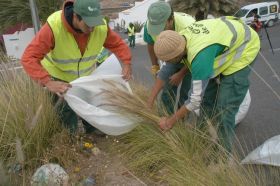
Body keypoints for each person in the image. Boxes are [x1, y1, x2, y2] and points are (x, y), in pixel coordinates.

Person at [21, 0, 132, 134]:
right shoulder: (54, 27)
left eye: (94, 23)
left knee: (90, 103)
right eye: (88, 24)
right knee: (66, 113)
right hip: (58, 77)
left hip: (85, 76)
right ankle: (72, 139)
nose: (92, 29)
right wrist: (48, 82)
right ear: (76, 16)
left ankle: (93, 130)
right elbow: (28, 58)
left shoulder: (100, 27)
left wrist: (126, 63)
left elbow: (118, 44)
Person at [153, 16, 260, 152]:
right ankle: (201, 141)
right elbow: (199, 97)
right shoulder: (178, 39)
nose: (169, 64)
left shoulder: (200, 58)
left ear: (176, 56)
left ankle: (222, 158)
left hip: (244, 45)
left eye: (169, 60)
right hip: (219, 45)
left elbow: (194, 100)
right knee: (206, 101)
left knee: (224, 111)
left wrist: (169, 122)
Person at [144, 1, 195, 114]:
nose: (159, 32)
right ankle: (166, 116)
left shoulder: (188, 26)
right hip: (171, 57)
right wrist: (155, 66)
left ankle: (180, 122)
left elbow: (197, 56)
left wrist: (181, 74)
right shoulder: (150, 25)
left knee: (186, 92)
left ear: (170, 19)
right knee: (167, 89)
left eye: (161, 27)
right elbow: (150, 44)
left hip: (192, 58)